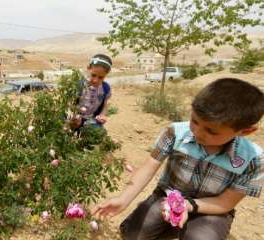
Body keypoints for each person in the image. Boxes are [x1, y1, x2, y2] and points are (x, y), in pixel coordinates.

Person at [92, 78, 264, 240]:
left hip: (211, 209)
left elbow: (225, 203)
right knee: (133, 234)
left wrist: (188, 206)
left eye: (211, 131)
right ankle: (173, 227)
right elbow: (149, 167)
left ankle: (191, 228)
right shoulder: (175, 133)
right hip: (166, 197)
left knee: (202, 237)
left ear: (246, 131)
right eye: (194, 121)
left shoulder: (253, 159)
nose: (197, 132)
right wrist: (123, 199)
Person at [70, 54, 112, 129]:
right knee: (69, 127)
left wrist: (102, 115)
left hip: (92, 119)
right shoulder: (79, 85)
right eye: (93, 75)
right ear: (88, 69)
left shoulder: (105, 88)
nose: (96, 80)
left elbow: (105, 105)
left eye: (101, 77)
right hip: (76, 117)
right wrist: (75, 115)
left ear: (106, 75)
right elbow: (71, 104)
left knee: (97, 133)